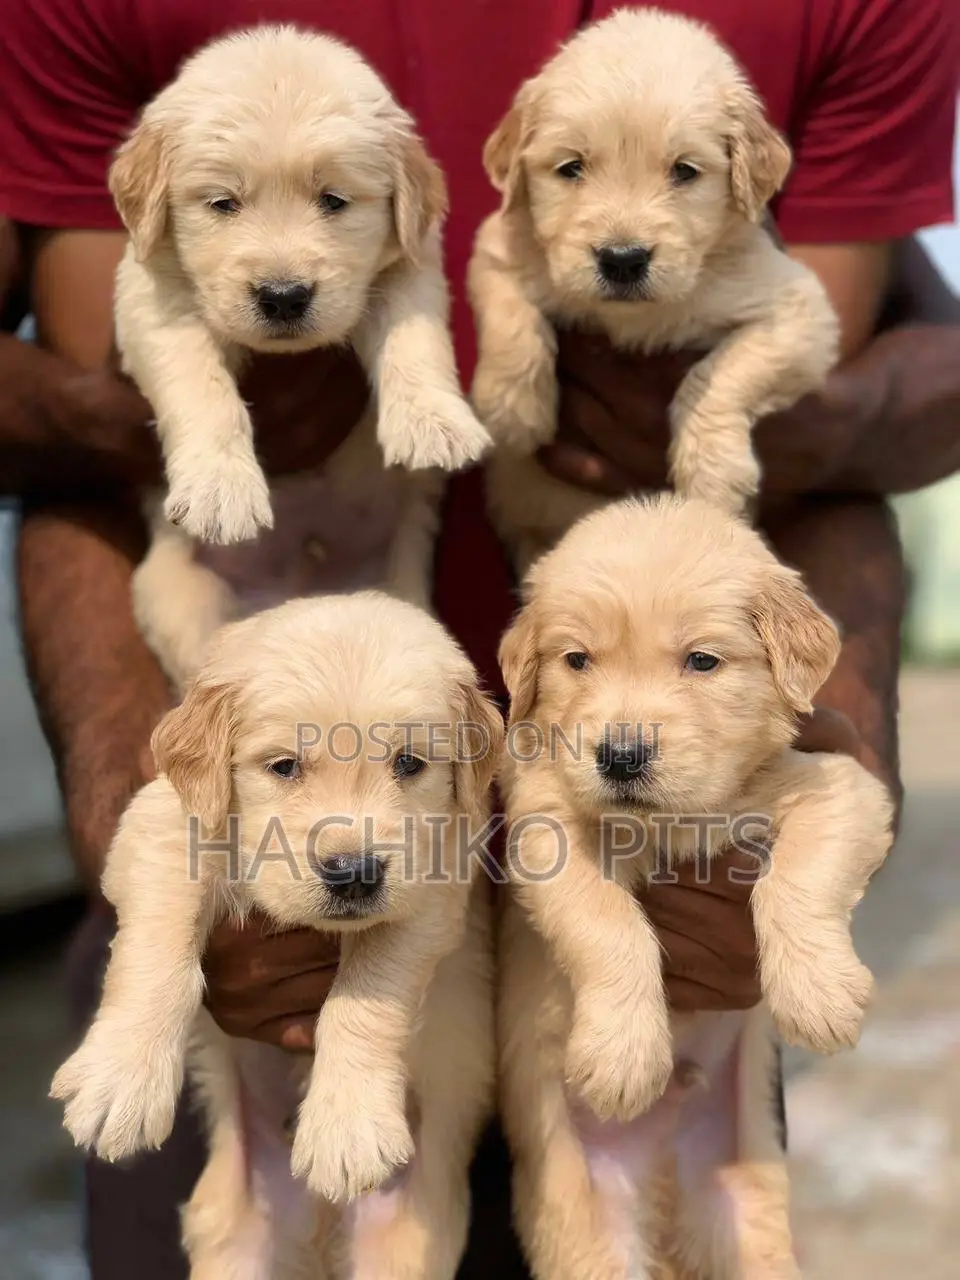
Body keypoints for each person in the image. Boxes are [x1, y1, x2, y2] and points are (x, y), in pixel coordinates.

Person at [0, 0, 957, 1276]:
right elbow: (83, 428)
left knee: (683, 1214)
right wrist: (157, 855)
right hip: (252, 823)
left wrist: (792, 840)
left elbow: (827, 442)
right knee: (240, 1219)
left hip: (645, 858)